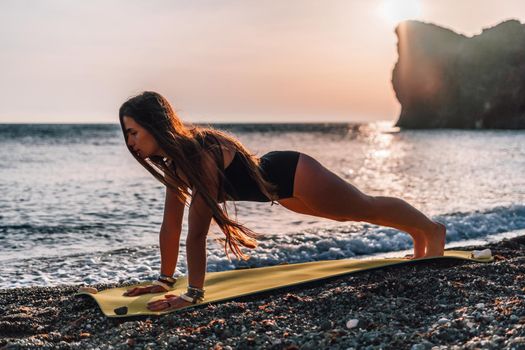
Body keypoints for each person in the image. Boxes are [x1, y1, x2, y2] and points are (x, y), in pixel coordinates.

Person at [119, 91, 446, 311]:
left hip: (293, 173)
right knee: (349, 214)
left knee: (362, 206)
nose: (130, 142)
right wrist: (163, 281)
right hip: (280, 193)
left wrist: (193, 294)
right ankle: (418, 234)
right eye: (126, 134)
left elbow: (197, 232)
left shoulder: (200, 153)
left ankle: (431, 230)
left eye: (133, 132)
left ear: (154, 125)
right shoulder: (176, 165)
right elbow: (171, 225)